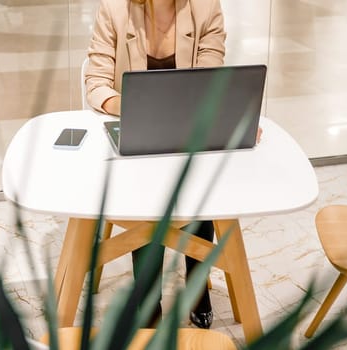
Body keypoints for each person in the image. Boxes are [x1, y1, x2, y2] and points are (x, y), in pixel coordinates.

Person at [84, 0, 258, 329]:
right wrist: (135, 107)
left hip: (188, 129)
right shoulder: (114, 8)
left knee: (199, 179)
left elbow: (210, 79)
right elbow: (96, 83)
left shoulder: (206, 8)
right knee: (147, 194)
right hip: (136, 129)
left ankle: (196, 282)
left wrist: (231, 114)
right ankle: (148, 297)